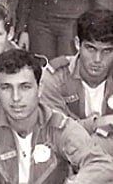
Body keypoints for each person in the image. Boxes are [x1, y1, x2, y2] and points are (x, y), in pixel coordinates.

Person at [0, 49, 113, 183]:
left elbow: (100, 164)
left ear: (39, 90)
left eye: (25, 87)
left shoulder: (58, 126)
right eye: (7, 87)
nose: (16, 98)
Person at [39, 9, 113, 139]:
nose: (97, 59)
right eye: (91, 48)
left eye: (107, 51)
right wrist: (96, 124)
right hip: (68, 148)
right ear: (77, 44)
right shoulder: (55, 77)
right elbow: (54, 131)